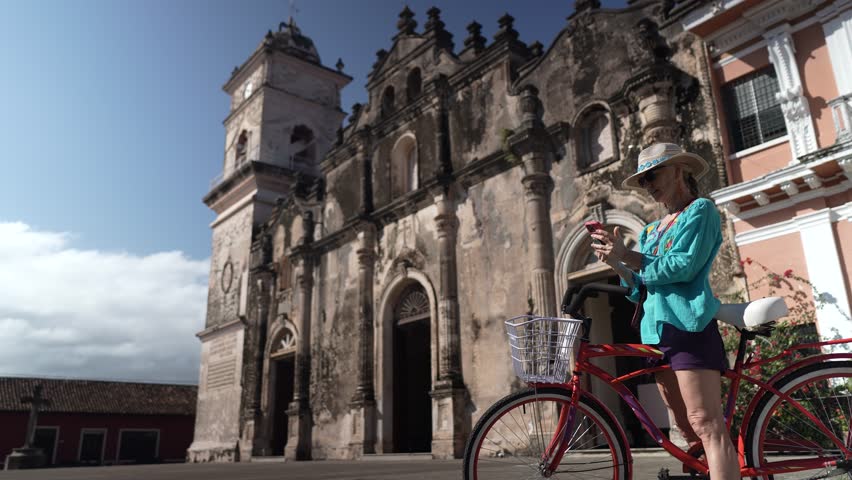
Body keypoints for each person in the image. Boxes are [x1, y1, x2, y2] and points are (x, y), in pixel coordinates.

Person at [589, 143, 739, 480]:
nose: (648, 184)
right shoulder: (649, 231)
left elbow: (683, 266)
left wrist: (628, 257)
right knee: (686, 432)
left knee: (706, 423)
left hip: (688, 325)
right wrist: (617, 262)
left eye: (652, 174)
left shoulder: (701, 211)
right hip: (655, 332)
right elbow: (640, 287)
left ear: (678, 169)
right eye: (643, 180)